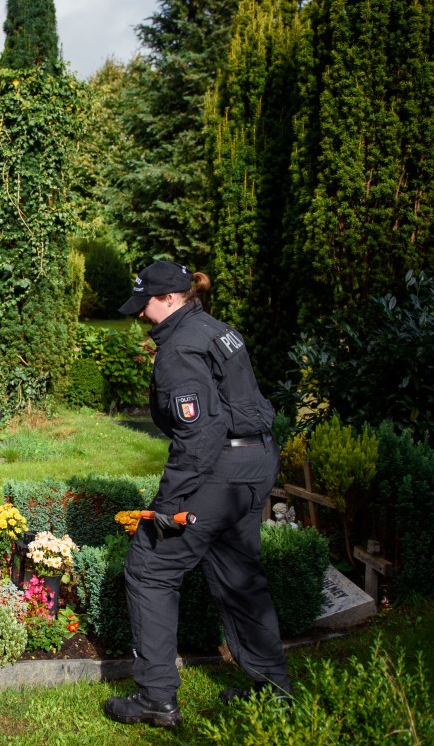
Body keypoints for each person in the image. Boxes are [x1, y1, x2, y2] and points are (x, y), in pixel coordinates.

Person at [103, 260, 291, 729]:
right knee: (238, 574)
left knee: (150, 567)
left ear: (170, 299)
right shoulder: (215, 330)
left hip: (220, 470)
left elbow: (199, 436)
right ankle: (274, 692)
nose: (143, 314)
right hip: (255, 463)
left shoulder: (179, 350)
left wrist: (166, 509)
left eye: (147, 303)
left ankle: (156, 699)